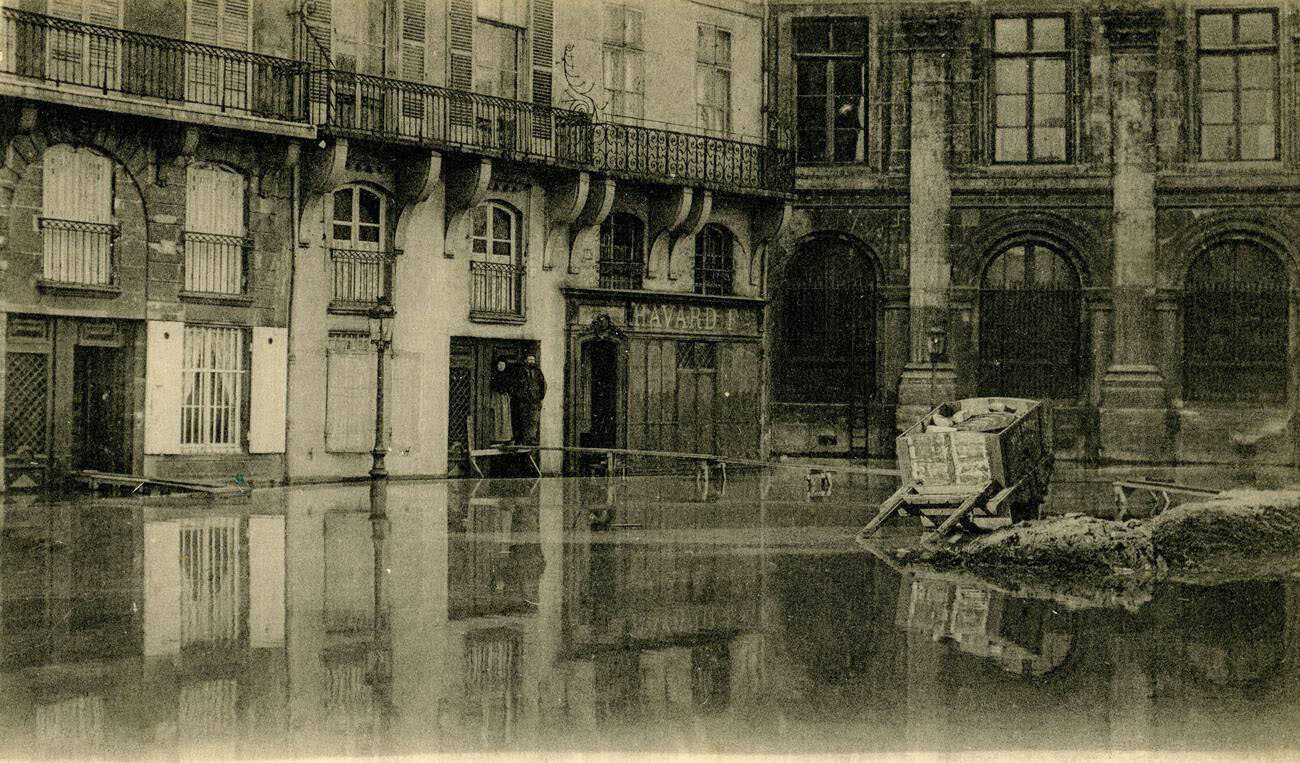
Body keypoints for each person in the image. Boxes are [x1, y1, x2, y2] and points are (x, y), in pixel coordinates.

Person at [509, 354, 546, 446]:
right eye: (529, 359)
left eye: (533, 359)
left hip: (534, 401)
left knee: (533, 420)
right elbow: (513, 385)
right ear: (525, 360)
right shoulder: (520, 371)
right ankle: (523, 441)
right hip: (523, 402)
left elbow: (543, 385)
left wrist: (540, 396)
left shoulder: (537, 371)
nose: (531, 361)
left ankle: (531, 440)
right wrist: (519, 395)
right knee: (523, 421)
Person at [488, 360, 513, 445]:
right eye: (499, 364)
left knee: (504, 416)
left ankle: (505, 437)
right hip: (496, 398)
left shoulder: (508, 376)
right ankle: (496, 437)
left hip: (504, 399)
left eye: (503, 364)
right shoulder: (494, 375)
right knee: (496, 416)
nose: (501, 366)